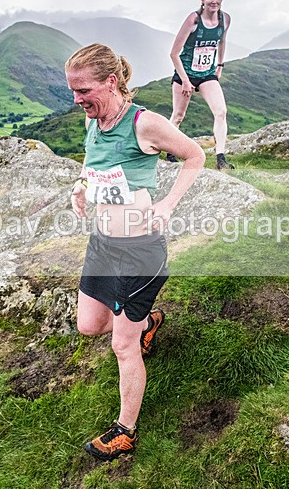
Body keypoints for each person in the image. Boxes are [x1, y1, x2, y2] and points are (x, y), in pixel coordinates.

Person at [66, 43, 205, 461]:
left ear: (111, 82)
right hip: (102, 244)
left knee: (122, 346)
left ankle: (124, 431)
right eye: (73, 90)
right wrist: (81, 186)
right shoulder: (94, 122)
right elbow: (95, 167)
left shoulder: (144, 123)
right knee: (89, 325)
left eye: (83, 90)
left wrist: (167, 204)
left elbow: (195, 155)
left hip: (140, 251)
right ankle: (146, 323)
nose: (77, 100)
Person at [167, 0, 233, 171]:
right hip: (185, 73)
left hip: (206, 74)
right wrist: (185, 81)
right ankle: (170, 152)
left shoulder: (225, 20)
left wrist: (220, 64)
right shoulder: (193, 20)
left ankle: (221, 158)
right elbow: (174, 53)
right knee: (178, 116)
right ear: (202, 0)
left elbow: (222, 41)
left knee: (221, 112)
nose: (214, 1)